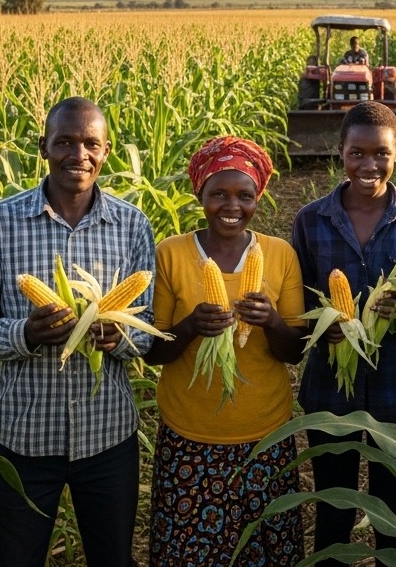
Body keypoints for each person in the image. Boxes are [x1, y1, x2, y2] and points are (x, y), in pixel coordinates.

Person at [0, 97, 155, 567]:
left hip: (106, 438)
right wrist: (26, 333)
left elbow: (147, 330)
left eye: (91, 144)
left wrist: (118, 339)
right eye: (65, 142)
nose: (78, 154)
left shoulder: (132, 226)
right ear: (43, 146)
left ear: (106, 151)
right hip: (22, 441)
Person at [143, 136, 306, 567]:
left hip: (264, 435)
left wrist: (271, 320)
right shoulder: (171, 254)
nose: (231, 206)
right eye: (219, 194)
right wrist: (191, 326)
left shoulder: (280, 254)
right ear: (200, 195)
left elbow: (295, 352)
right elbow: (152, 350)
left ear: (259, 198)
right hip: (190, 437)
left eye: (244, 196)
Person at [290, 101, 396, 562]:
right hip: (330, 390)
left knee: (392, 507)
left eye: (381, 153)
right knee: (333, 505)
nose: (369, 165)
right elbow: (300, 305)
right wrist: (325, 329)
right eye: (357, 153)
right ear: (341, 152)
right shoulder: (310, 220)